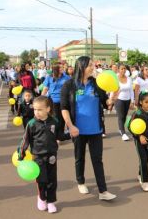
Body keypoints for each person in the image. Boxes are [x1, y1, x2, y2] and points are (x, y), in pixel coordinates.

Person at [60, 56, 116, 201]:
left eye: (93, 65)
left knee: (97, 160)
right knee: (80, 158)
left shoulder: (96, 84)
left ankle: (103, 191)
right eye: (90, 65)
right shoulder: (69, 85)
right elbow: (64, 108)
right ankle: (81, 181)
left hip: (96, 129)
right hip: (77, 130)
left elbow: (105, 103)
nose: (93, 67)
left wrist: (111, 99)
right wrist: (70, 126)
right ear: (81, 67)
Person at [17, 96, 64, 213]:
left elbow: (59, 135)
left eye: (40, 110)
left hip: (52, 156)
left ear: (48, 109)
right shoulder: (31, 124)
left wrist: (71, 135)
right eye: (35, 110)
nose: (36, 112)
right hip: (38, 157)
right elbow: (25, 140)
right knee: (42, 180)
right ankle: (42, 198)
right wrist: (20, 154)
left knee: (52, 180)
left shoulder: (54, 121)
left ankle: (51, 201)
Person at [128, 91, 148, 192]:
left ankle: (140, 174)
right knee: (143, 159)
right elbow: (130, 126)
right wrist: (139, 136)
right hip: (139, 141)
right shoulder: (137, 113)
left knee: (146, 160)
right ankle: (145, 182)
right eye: (146, 102)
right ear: (141, 103)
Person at [42, 63, 70, 140]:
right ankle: (56, 135)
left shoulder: (67, 77)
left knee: (62, 118)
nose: (62, 68)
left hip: (64, 100)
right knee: (55, 118)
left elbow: (71, 88)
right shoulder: (49, 78)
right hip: (53, 102)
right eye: (60, 67)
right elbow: (45, 89)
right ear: (56, 69)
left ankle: (60, 135)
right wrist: (41, 99)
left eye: (62, 67)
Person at [111, 64, 134, 141]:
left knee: (124, 116)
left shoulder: (129, 79)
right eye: (122, 69)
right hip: (119, 99)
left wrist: (132, 101)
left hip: (127, 100)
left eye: (125, 69)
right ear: (118, 70)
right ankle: (123, 133)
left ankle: (121, 129)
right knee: (120, 116)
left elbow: (131, 90)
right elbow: (112, 89)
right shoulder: (115, 78)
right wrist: (111, 99)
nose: (123, 70)